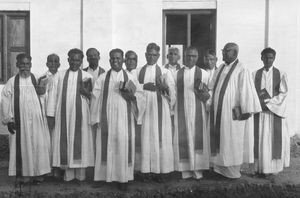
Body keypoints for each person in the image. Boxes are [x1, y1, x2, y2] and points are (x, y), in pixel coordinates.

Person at [209, 42, 261, 178]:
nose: (223, 53)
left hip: (232, 113)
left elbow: (246, 91)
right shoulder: (220, 67)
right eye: (223, 50)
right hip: (218, 112)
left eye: (227, 51)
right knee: (221, 139)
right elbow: (212, 86)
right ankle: (219, 169)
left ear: (235, 53)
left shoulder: (242, 68)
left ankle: (232, 173)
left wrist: (245, 110)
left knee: (232, 140)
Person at [91, 49, 139, 190]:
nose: (115, 61)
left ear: (123, 59)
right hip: (106, 118)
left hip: (125, 118)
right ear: (109, 60)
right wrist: (96, 118)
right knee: (105, 146)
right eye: (112, 58)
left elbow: (140, 96)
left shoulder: (130, 77)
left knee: (122, 146)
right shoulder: (102, 78)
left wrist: (132, 97)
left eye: (118, 58)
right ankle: (101, 177)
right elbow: (95, 98)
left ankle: (123, 179)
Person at [1, 53, 51, 184]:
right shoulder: (12, 82)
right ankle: (23, 176)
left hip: (36, 121)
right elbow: (5, 101)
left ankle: (38, 174)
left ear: (31, 65)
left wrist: (43, 92)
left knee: (37, 145)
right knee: (21, 146)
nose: (25, 67)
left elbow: (43, 98)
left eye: (27, 64)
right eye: (22, 64)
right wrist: (9, 119)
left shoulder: (36, 79)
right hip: (20, 121)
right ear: (17, 65)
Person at [46, 48, 94, 182]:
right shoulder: (59, 75)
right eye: (72, 59)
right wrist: (51, 115)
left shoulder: (87, 76)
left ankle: (80, 176)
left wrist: (88, 94)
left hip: (82, 117)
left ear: (81, 61)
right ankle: (67, 176)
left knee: (80, 142)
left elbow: (92, 99)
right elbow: (52, 97)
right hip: (63, 117)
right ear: (68, 60)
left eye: (77, 60)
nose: (74, 62)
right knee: (66, 142)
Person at [135, 43, 175, 182]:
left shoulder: (166, 72)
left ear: (158, 56)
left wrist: (165, 88)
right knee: (145, 138)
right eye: (149, 54)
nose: (151, 57)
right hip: (144, 109)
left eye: (154, 55)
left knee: (161, 138)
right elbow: (132, 88)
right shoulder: (137, 71)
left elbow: (173, 94)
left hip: (160, 109)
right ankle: (145, 171)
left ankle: (162, 171)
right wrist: (143, 86)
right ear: (145, 55)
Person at [174, 47, 210, 179]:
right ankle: (185, 170)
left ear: (197, 57)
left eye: (194, 56)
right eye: (188, 56)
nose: (190, 58)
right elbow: (172, 94)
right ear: (184, 56)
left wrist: (206, 95)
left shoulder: (204, 74)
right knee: (184, 138)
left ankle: (198, 170)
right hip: (181, 111)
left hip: (198, 111)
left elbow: (209, 95)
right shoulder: (177, 73)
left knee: (197, 138)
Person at [252, 47, 290, 176]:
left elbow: (283, 93)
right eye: (266, 57)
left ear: (274, 58)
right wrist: (258, 103)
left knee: (272, 140)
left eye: (271, 58)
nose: (268, 60)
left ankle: (273, 170)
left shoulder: (281, 74)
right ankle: (259, 169)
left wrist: (269, 103)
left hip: (273, 113)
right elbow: (251, 93)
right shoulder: (254, 74)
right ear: (261, 58)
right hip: (260, 113)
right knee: (260, 139)